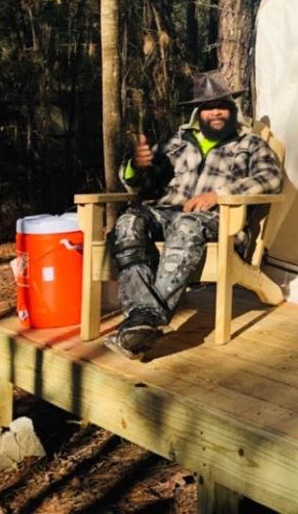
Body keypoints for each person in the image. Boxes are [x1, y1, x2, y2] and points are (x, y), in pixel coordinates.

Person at [104, 71, 283, 359]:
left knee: (187, 224)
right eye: (209, 107)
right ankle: (143, 320)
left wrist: (219, 195)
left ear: (232, 109)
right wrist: (136, 167)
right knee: (128, 221)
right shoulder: (177, 143)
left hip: (218, 221)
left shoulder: (250, 144)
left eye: (222, 106)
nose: (216, 112)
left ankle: (144, 320)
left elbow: (271, 179)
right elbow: (144, 183)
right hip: (167, 212)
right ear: (198, 112)